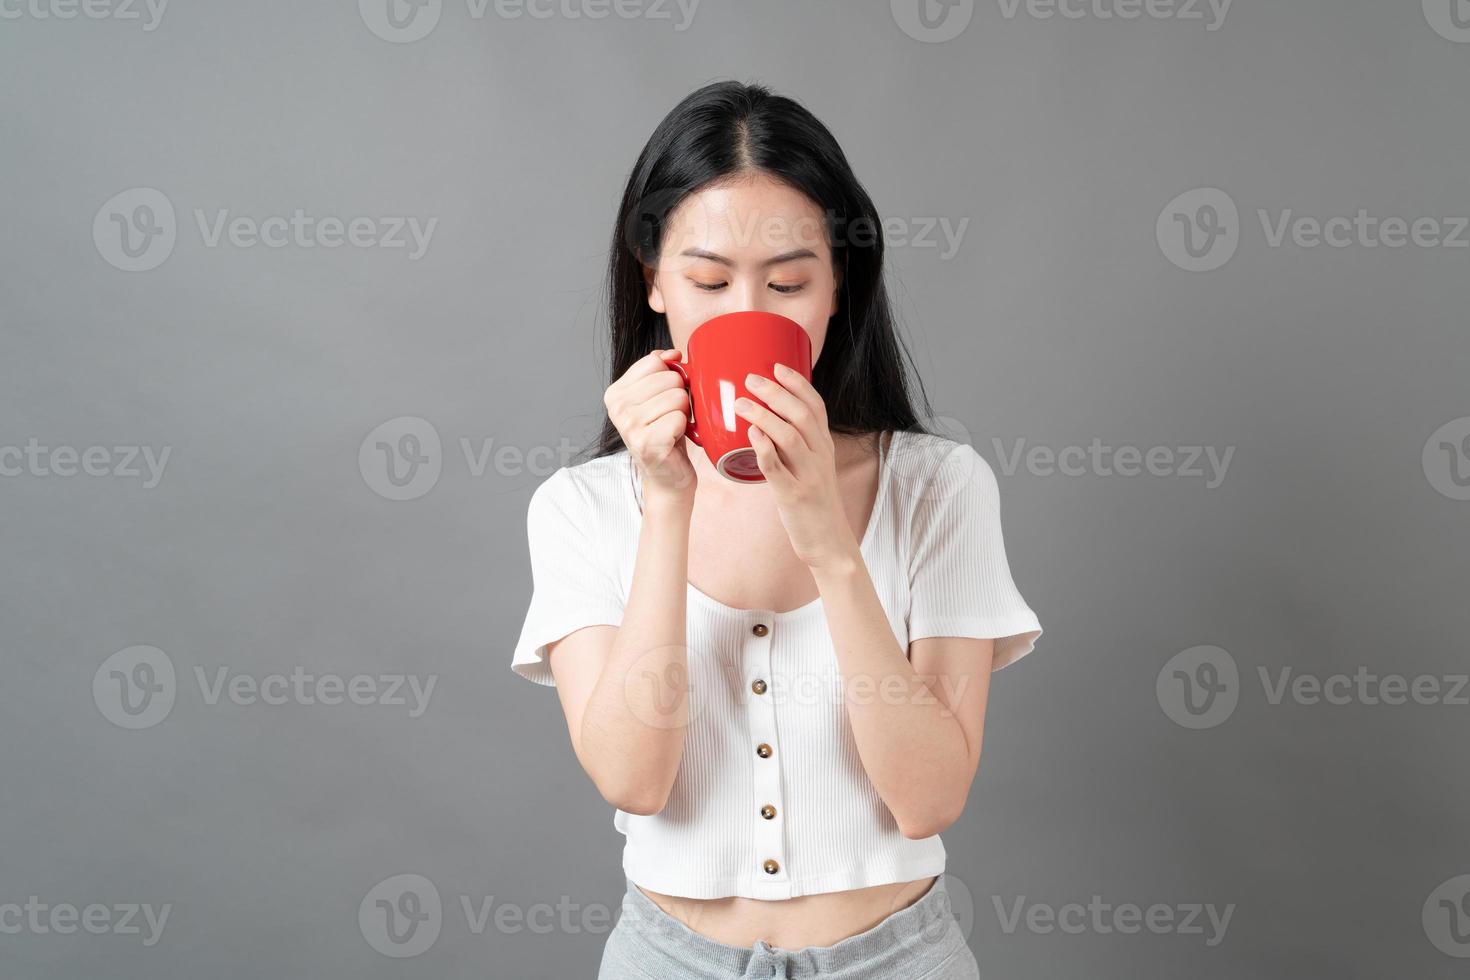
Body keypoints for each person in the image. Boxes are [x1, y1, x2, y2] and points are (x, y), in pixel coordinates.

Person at [511, 79, 1043, 980]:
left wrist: (828, 538)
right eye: (708, 280)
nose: (745, 314)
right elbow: (634, 780)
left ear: (839, 290)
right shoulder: (582, 506)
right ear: (652, 282)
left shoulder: (940, 487)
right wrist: (667, 502)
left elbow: (929, 797)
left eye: (789, 282)